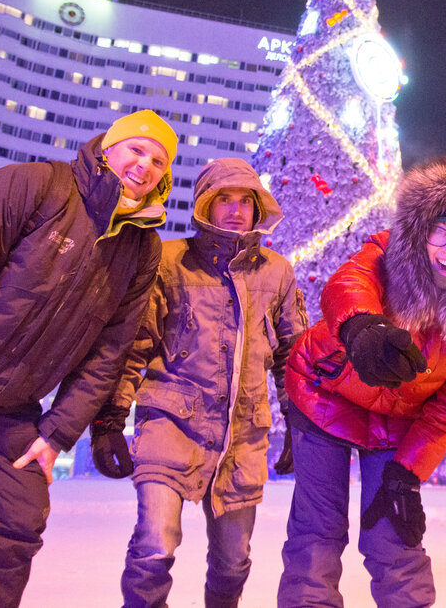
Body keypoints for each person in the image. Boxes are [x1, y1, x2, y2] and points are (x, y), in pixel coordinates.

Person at [0, 108, 177, 607]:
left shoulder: (141, 247)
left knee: (14, 522)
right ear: (109, 147)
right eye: (137, 149)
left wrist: (57, 432)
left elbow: (109, 351)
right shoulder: (36, 186)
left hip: (8, 408)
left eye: (158, 160)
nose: (145, 165)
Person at [276, 155, 446, 608]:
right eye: (441, 233)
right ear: (422, 229)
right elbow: (347, 281)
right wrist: (362, 329)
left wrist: (407, 472)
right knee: (318, 530)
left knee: (393, 541)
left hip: (399, 424)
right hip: (324, 395)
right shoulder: (390, 249)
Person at [90, 157, 308, 608]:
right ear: (204, 206)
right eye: (221, 199)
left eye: (243, 201)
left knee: (234, 561)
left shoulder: (277, 273)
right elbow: (135, 343)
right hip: (170, 424)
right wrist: (110, 416)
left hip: (243, 437)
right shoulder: (170, 261)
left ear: (256, 207)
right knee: (154, 547)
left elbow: (293, 356)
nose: (233, 210)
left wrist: (297, 423)